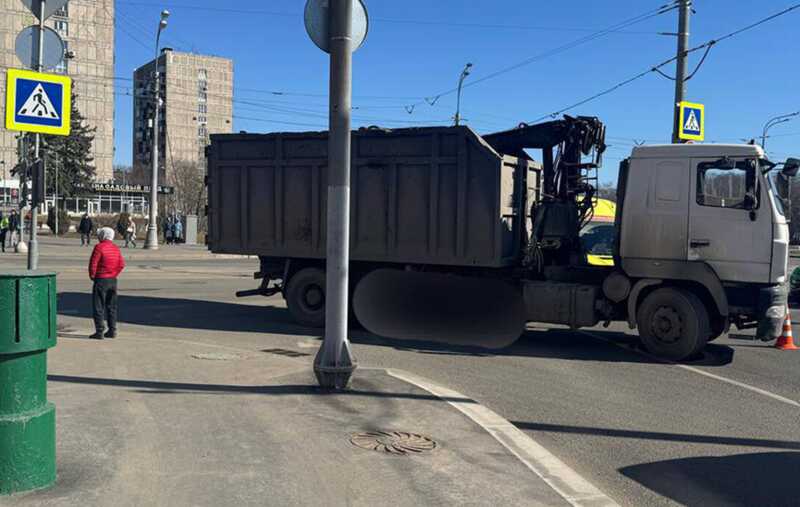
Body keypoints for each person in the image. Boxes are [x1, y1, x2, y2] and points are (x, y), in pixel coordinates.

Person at [88, 227, 125, 339]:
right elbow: (121, 264)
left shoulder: (99, 247)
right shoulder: (115, 248)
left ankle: (99, 331)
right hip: (113, 280)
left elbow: (93, 264)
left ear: (103, 236)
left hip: (101, 279)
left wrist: (93, 276)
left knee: (99, 306)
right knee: (111, 306)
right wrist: (114, 273)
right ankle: (112, 330)